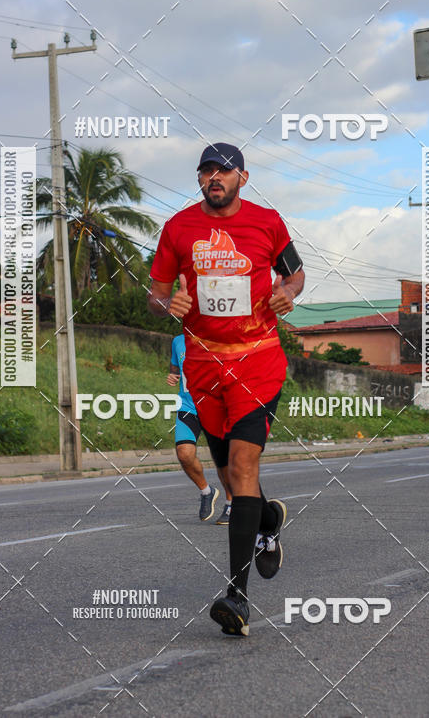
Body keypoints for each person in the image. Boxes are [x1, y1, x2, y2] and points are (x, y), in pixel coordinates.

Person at [148, 142, 305, 637]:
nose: (214, 177)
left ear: (243, 177)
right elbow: (155, 293)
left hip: (257, 359)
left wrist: (289, 292)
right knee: (232, 475)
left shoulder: (268, 222)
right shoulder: (177, 229)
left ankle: (236, 596)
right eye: (206, 171)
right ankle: (267, 521)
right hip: (202, 363)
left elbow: (295, 272)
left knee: (242, 467)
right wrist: (165, 302)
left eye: (224, 170)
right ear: (199, 180)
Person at [168, 332, 233, 522]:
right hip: (189, 407)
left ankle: (231, 504)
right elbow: (174, 366)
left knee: (222, 459)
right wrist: (173, 375)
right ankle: (207, 491)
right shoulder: (177, 341)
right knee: (184, 453)